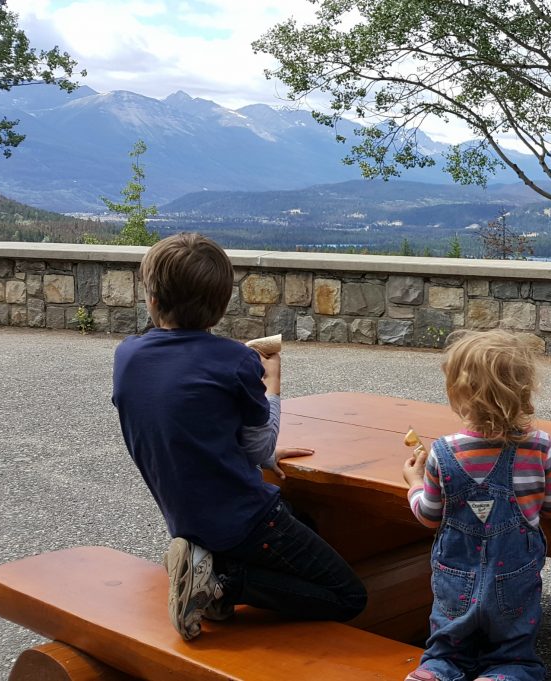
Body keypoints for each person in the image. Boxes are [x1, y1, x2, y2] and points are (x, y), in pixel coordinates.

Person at [112, 232, 366, 641]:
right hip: (245, 521)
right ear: (222, 303)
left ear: (153, 300)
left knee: (308, 523)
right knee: (348, 596)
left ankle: (211, 571)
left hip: (186, 518)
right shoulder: (235, 361)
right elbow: (260, 446)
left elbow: (190, 419)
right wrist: (271, 382)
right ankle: (218, 585)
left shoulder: (127, 356)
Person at [402, 329, 551, 681]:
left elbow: (430, 516)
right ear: (525, 390)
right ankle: (501, 676)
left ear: (459, 394)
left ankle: (435, 673)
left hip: (454, 577)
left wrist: (414, 485)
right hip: (514, 578)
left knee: (447, 648)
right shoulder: (539, 446)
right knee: (514, 655)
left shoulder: (443, 452)